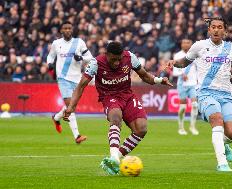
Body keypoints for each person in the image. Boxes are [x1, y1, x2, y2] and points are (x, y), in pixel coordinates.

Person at [63, 41, 173, 175]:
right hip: (109, 97)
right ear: (106, 54)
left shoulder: (130, 57)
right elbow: (81, 86)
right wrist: (71, 107)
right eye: (113, 59)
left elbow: (144, 75)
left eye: (119, 59)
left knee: (141, 129)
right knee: (116, 117)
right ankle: (114, 157)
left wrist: (159, 80)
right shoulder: (96, 63)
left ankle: (114, 159)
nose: (116, 63)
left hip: (127, 96)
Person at [166, 17, 232, 172]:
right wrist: (174, 62)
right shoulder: (199, 46)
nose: (216, 29)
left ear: (225, 31)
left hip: (226, 94)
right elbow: (185, 62)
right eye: (213, 27)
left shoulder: (231, 48)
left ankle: (225, 144)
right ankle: (222, 163)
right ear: (209, 30)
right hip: (206, 93)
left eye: (220, 27)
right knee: (217, 120)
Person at [47, 21, 93, 144]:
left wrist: (82, 58)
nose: (67, 30)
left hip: (77, 78)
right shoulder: (56, 44)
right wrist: (50, 64)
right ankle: (77, 136)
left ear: (72, 30)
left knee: (72, 106)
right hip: (63, 78)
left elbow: (90, 56)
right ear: (61, 30)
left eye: (69, 28)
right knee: (69, 107)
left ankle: (56, 117)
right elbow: (50, 56)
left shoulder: (79, 42)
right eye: (65, 28)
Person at [172, 39, 199, 135]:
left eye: (188, 42)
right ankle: (181, 127)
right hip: (182, 84)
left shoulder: (195, 55)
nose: (185, 44)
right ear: (181, 44)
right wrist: (182, 74)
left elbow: (198, 69)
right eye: (183, 42)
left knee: (195, 105)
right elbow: (175, 71)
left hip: (193, 84)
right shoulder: (177, 55)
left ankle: (192, 126)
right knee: (183, 107)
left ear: (191, 44)